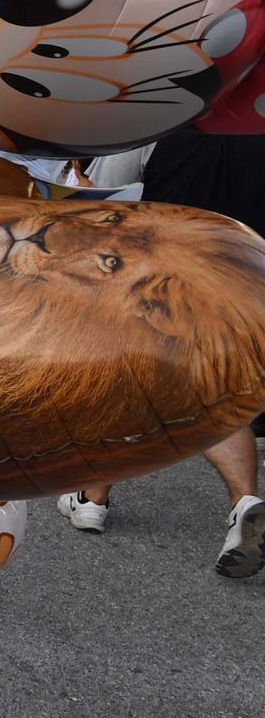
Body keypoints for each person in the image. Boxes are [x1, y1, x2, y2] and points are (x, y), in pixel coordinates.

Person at [56, 129, 265, 578]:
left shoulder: (161, 121)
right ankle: (244, 502)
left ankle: (92, 499)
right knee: (219, 397)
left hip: (156, 275)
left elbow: (108, 196)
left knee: (121, 378)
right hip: (239, 277)